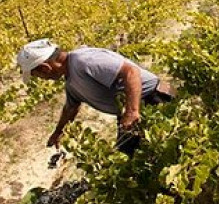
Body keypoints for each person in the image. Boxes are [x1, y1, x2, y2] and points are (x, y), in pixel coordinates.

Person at [17, 39, 173, 156]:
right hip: (130, 110)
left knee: (167, 150)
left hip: (154, 100)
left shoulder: (84, 61)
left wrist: (132, 111)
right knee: (128, 158)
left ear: (45, 68)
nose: (41, 79)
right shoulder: (71, 81)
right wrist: (58, 132)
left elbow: (131, 72)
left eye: (36, 75)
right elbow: (70, 108)